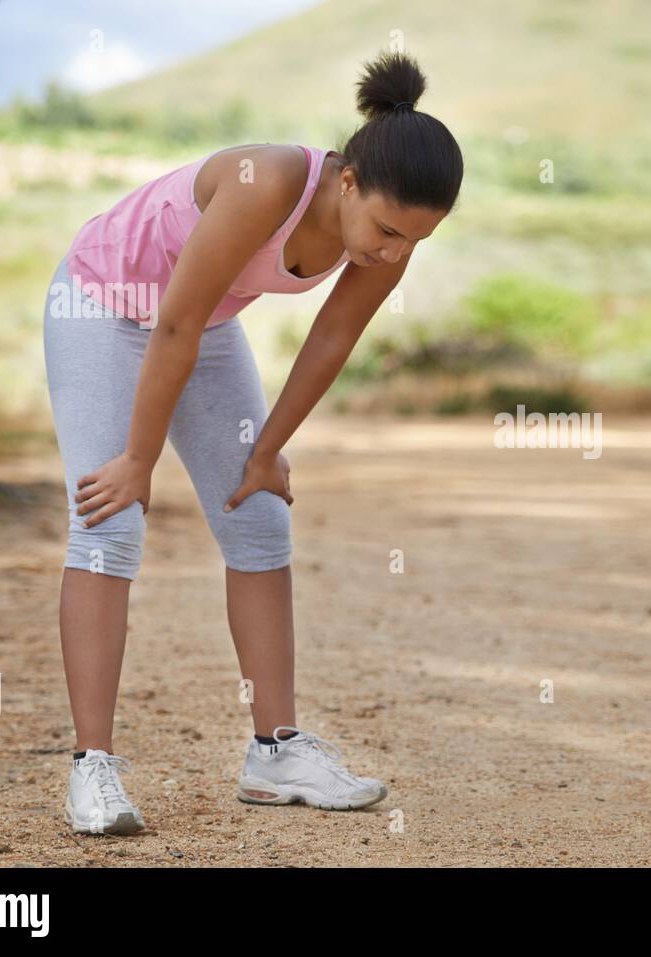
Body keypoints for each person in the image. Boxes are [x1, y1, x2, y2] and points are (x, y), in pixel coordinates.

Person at [42, 50, 462, 835]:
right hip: (101, 305)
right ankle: (91, 768)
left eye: (416, 239)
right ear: (345, 183)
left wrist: (267, 448)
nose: (395, 252)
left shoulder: (388, 235)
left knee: (259, 514)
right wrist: (138, 460)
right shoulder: (265, 183)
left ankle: (275, 751)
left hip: (196, 325)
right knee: (109, 522)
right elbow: (170, 321)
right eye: (387, 230)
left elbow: (331, 339)